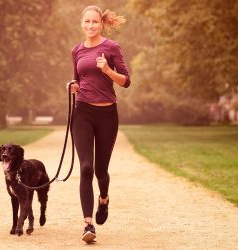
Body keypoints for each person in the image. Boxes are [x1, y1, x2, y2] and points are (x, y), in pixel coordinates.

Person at [69, 5, 131, 243]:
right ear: (82, 23)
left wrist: (107, 70)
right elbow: (77, 78)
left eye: (95, 22)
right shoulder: (76, 50)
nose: (91, 26)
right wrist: (73, 86)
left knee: (100, 170)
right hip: (82, 113)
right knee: (85, 168)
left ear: (101, 24)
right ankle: (88, 225)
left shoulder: (111, 47)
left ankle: (103, 199)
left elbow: (126, 81)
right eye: (87, 22)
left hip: (107, 115)